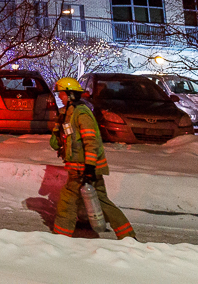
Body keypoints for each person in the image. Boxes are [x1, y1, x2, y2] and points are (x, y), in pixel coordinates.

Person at [48, 76, 136, 240]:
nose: (59, 97)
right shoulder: (70, 112)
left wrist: (89, 168)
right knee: (101, 200)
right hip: (81, 166)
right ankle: (128, 235)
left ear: (71, 94)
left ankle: (60, 237)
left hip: (84, 167)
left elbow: (91, 142)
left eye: (61, 94)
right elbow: (59, 141)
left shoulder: (82, 114)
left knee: (67, 201)